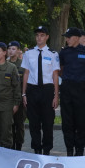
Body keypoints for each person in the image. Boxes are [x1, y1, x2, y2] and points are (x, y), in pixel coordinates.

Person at [57, 27, 85, 156]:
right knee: (67, 122)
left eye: (69, 37)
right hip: (67, 88)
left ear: (76, 38)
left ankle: (79, 150)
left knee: (81, 121)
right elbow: (60, 69)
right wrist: (68, 78)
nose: (67, 39)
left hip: (80, 89)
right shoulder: (63, 52)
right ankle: (69, 149)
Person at [21, 26, 60, 155]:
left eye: (42, 35)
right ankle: (37, 149)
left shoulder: (53, 54)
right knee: (34, 122)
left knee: (48, 122)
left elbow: (55, 75)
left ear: (47, 37)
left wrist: (56, 95)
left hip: (47, 90)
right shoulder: (28, 53)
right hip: (32, 90)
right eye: (37, 35)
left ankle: (47, 149)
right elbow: (26, 73)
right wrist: (24, 93)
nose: (39, 38)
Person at [7, 41, 27, 151]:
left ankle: (18, 146)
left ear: (19, 50)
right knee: (9, 125)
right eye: (9, 48)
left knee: (19, 125)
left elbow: (25, 83)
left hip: (19, 100)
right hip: (7, 100)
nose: (11, 51)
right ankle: (10, 147)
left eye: (13, 49)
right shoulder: (4, 64)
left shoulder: (23, 65)